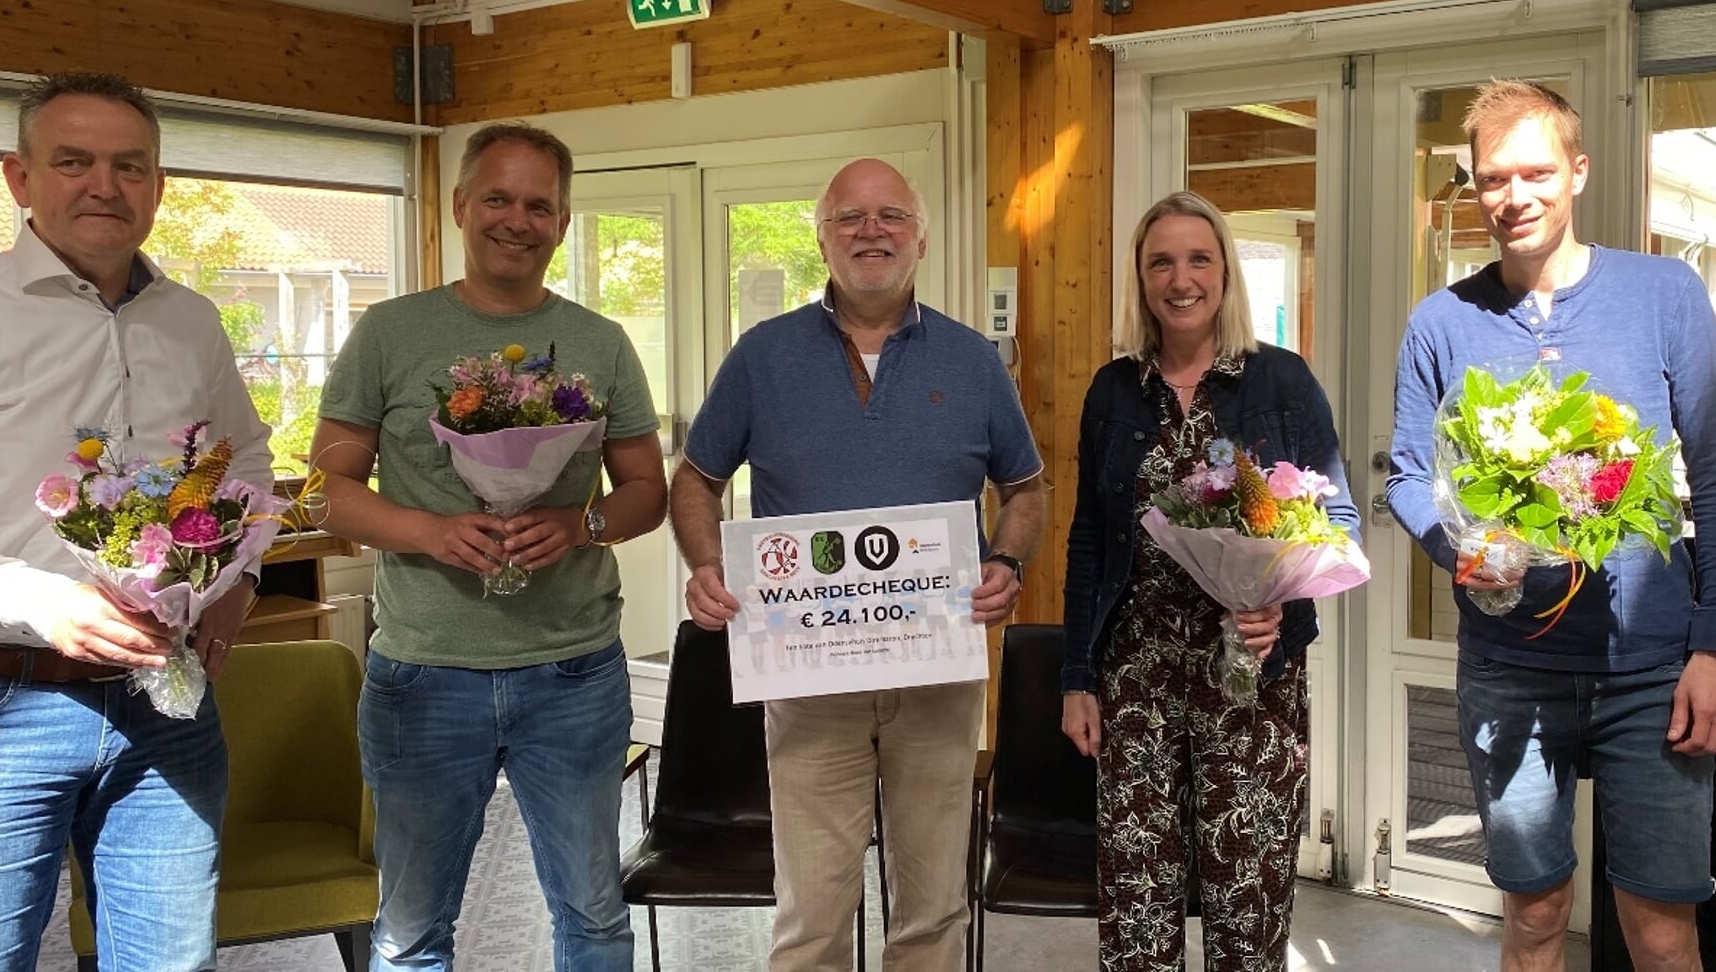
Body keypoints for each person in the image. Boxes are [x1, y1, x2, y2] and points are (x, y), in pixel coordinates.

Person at [1386, 80, 1716, 972]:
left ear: (1578, 170)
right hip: (1512, 670)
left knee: (1660, 932)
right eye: (1492, 178)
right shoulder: (1441, 322)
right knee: (1535, 917)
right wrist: (1460, 546)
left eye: (1537, 171)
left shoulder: (1665, 294)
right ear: (1473, 189)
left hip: (1652, 669)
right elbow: (1406, 477)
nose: (1516, 196)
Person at [670, 157, 1046, 971]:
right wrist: (706, 564)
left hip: (938, 681)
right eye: (850, 217)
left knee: (934, 910)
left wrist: (1007, 560)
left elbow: (1025, 488)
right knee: (812, 918)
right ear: (822, 236)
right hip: (808, 679)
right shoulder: (762, 356)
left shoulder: (973, 361)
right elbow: (695, 479)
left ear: (920, 238)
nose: (871, 231)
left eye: (890, 217)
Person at [309, 123, 667, 971]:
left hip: (574, 671)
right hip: (424, 675)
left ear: (563, 222)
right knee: (412, 930)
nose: (518, 219)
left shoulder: (601, 341)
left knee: (592, 914)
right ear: (462, 205)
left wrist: (581, 525)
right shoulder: (390, 334)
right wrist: (432, 531)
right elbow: (332, 493)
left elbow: (646, 491)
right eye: (498, 198)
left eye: (539, 204)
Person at [0, 70, 273, 971]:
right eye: (73, 161)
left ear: (157, 185)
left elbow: (247, 463)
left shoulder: (193, 321)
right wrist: (26, 592)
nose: (104, 184)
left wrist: (243, 580)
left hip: (167, 705)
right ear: (19, 178)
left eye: (129, 165)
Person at [1060, 190, 1358, 971]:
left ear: (1225, 271)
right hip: (1136, 681)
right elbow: (1089, 539)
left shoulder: (1282, 382)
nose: (1180, 278)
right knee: (1136, 908)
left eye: (1199, 258)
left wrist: (1283, 614)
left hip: (1252, 683)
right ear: (1140, 276)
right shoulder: (1113, 391)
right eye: (1161, 260)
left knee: (1247, 907)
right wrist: (1076, 677)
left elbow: (1339, 525)